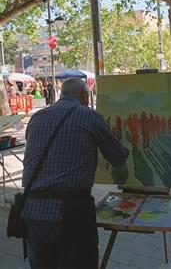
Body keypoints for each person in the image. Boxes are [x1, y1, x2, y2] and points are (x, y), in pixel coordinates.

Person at [22, 78, 129, 269]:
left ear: (61, 94)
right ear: (84, 96)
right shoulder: (89, 116)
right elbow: (117, 157)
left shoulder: (37, 117)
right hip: (70, 212)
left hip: (33, 211)